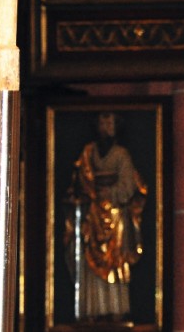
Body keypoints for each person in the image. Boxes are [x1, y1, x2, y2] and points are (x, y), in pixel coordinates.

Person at [67, 112, 148, 322]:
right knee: (90, 260)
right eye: (102, 121)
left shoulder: (121, 155)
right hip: (93, 213)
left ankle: (116, 309)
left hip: (114, 216)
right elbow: (81, 179)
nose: (105, 126)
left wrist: (111, 193)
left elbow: (129, 184)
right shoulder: (88, 152)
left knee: (115, 261)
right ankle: (92, 309)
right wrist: (92, 192)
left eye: (109, 122)